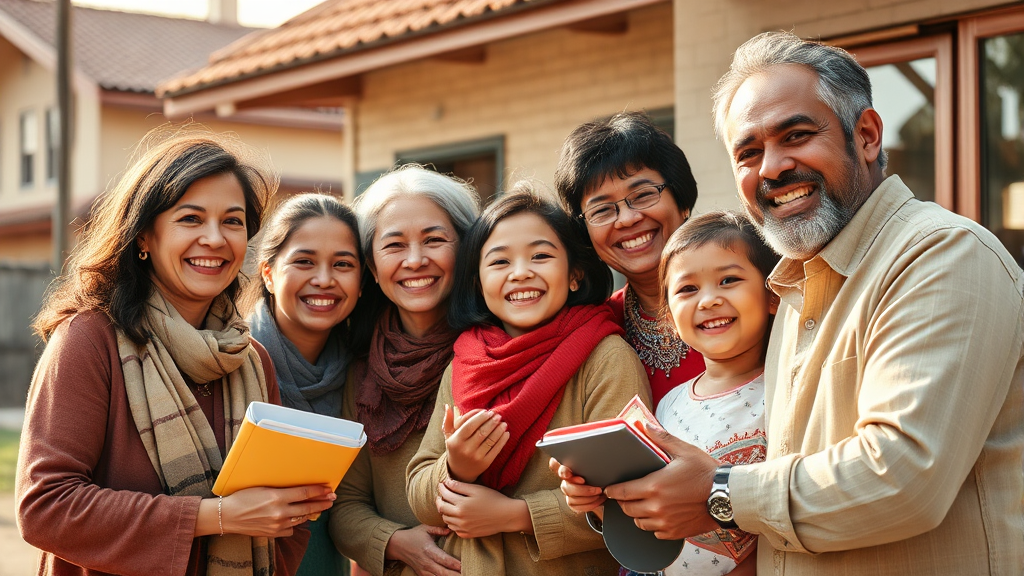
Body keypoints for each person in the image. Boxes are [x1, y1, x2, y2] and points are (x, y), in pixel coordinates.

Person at [559, 31, 1024, 576]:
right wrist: (627, 496)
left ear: (867, 135)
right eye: (748, 153)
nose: (773, 168)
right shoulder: (792, 286)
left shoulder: (939, 255)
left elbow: (903, 477)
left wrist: (717, 492)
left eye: (796, 135)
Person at [17, 128, 335, 576]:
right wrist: (216, 517)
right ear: (144, 236)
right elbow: (45, 507)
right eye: (191, 219)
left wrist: (292, 509)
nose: (215, 238)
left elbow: (278, 522)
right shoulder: (90, 339)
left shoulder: (250, 359)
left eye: (233, 221)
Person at [406, 185, 652, 575]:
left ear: (575, 274)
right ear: (477, 282)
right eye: (499, 262)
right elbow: (419, 493)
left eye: (540, 256)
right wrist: (455, 467)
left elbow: (632, 500)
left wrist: (517, 515)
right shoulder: (467, 361)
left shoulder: (605, 358)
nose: (521, 273)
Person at [565, 212, 779, 576]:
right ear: (670, 315)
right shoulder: (668, 404)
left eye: (729, 280)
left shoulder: (783, 394)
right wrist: (599, 501)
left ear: (773, 294)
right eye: (688, 289)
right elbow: (649, 515)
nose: (708, 300)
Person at [330, 165, 479, 576]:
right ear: (372, 269)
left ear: (467, 249)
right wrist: (395, 542)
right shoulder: (362, 373)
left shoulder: (495, 351)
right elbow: (345, 505)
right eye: (394, 245)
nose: (416, 260)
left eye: (434, 240)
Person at [244, 193, 365, 576]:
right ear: (268, 272)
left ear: (362, 282)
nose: (324, 280)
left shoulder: (366, 377)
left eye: (342, 264)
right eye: (304, 261)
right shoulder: (228, 363)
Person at [554, 112, 705, 406]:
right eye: (601, 211)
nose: (627, 219)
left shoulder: (751, 292)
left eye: (643, 195)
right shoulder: (593, 331)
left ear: (682, 200)